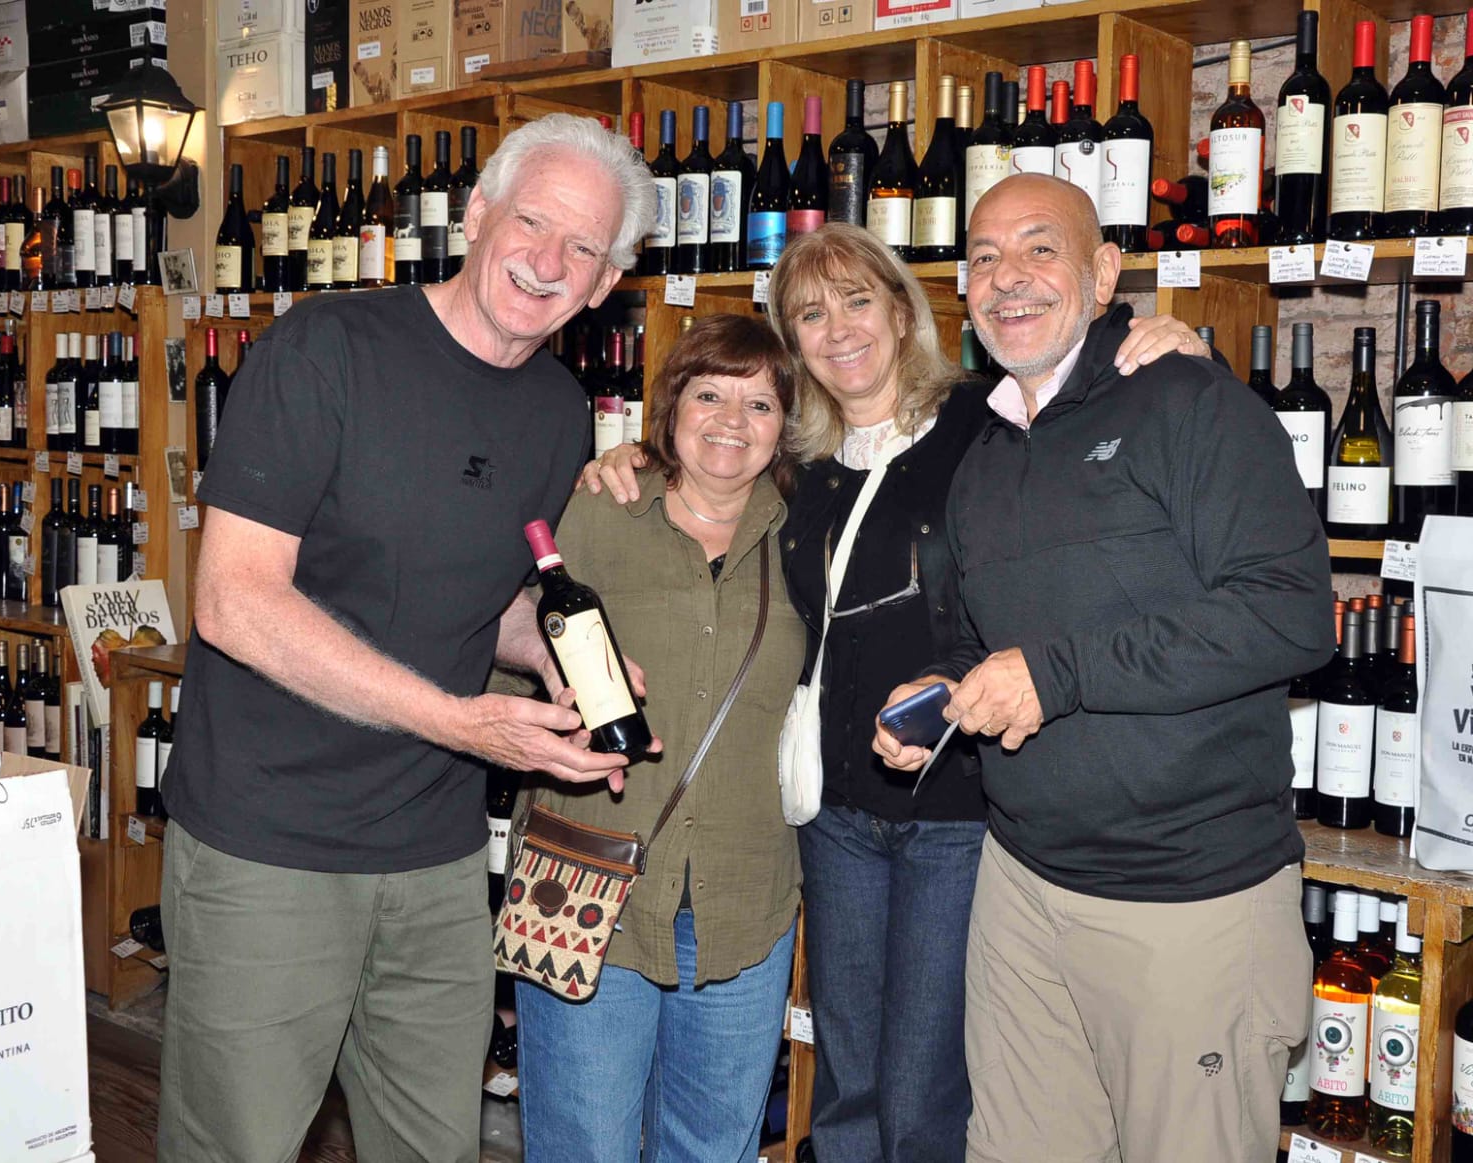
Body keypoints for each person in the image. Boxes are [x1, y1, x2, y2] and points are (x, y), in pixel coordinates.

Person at [585, 222, 1206, 1162]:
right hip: (834, 812)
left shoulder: (985, 420)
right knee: (845, 1083)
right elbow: (702, 469)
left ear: (903, 311)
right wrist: (628, 457)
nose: (837, 327)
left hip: (956, 812)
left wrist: (1166, 342)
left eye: (855, 300)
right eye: (809, 313)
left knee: (922, 1090)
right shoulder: (796, 462)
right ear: (792, 344)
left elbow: (1093, 404)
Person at [155, 114, 656, 1163]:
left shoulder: (559, 411)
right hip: (269, 845)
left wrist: (562, 664)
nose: (546, 260)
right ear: (475, 215)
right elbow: (234, 601)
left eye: (582, 247)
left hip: (435, 857)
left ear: (607, 281)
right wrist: (461, 723)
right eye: (532, 221)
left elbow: (489, 601)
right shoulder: (326, 349)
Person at [874, 173, 1333, 1163]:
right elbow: (985, 641)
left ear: (1103, 272)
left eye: (1040, 248)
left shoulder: (1190, 402)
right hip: (1020, 885)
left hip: (1187, 897)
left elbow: (1288, 612)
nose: (1009, 276)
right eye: (985, 257)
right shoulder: (985, 453)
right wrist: (938, 696)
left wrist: (1056, 674)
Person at [515, 313, 807, 1163]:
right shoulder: (598, 510)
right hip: (583, 885)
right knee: (581, 1146)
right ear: (671, 406)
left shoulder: (805, 533)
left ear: (785, 426)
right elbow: (507, 667)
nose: (732, 420)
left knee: (710, 1150)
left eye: (760, 403)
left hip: (743, 904)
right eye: (710, 394)